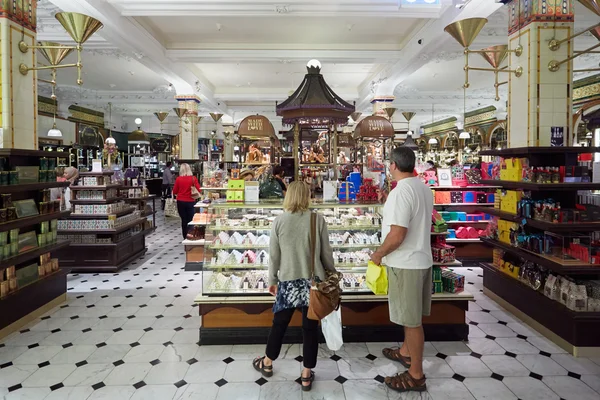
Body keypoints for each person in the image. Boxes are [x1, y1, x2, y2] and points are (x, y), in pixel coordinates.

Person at [252, 181, 336, 392]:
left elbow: (274, 256)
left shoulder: (279, 221)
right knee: (310, 328)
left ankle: (268, 362)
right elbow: (326, 253)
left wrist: (272, 280)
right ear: (307, 196)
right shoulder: (317, 220)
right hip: (313, 283)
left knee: (279, 323)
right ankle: (307, 374)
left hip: (288, 281)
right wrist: (332, 273)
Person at [370, 146, 433, 394]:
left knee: (411, 321)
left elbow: (397, 235)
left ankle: (416, 374)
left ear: (393, 166)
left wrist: (378, 253)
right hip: (421, 259)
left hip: (406, 264)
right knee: (412, 316)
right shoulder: (424, 188)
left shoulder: (400, 193)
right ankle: (406, 352)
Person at [172, 163, 201, 239]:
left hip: (180, 201)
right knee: (191, 219)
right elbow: (199, 189)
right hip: (190, 201)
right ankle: (190, 235)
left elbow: (174, 191)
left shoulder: (178, 179)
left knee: (183, 220)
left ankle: (185, 237)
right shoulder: (193, 178)